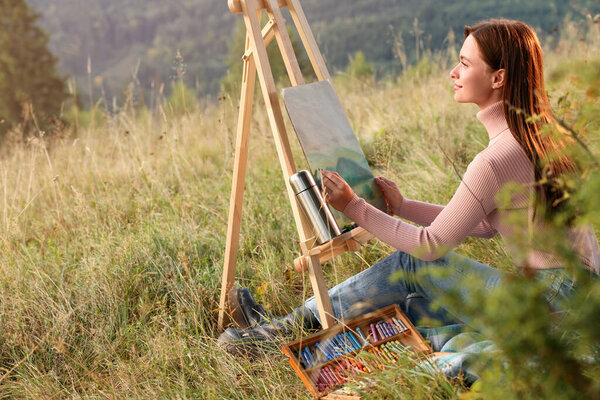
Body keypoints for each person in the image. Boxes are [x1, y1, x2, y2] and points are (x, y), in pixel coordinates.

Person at [217, 19, 599, 353]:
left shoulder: (495, 159)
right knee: (416, 304)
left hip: (549, 309)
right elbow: (486, 225)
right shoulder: (545, 135)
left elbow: (429, 247)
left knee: (411, 263)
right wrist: (400, 206)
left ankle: (281, 330)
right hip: (580, 303)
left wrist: (355, 208)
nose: (453, 71)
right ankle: (297, 330)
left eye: (464, 63)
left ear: (498, 78)